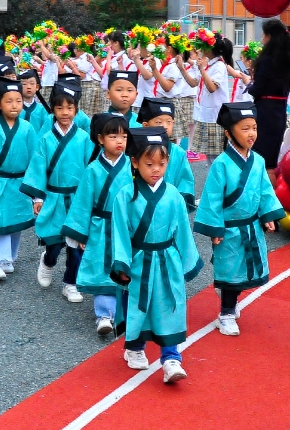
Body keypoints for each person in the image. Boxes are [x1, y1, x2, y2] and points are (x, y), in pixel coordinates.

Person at [109, 126, 203, 384]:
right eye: (149, 164)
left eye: (161, 164)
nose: (156, 170)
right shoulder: (125, 195)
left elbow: (183, 230)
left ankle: (171, 358)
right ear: (135, 162)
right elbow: (119, 231)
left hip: (167, 259)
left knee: (169, 304)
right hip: (139, 258)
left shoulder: (173, 194)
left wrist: (187, 261)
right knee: (140, 306)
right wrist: (122, 263)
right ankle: (136, 347)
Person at [194, 102, 284, 335]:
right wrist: (215, 229)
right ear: (228, 133)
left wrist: (268, 215)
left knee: (244, 270)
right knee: (230, 269)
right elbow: (212, 198)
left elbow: (265, 190)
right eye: (244, 129)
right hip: (229, 227)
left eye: (253, 127)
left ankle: (229, 300)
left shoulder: (259, 161)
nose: (251, 133)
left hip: (251, 226)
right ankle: (225, 313)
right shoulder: (221, 164)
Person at [62, 112, 132, 336]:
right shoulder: (93, 169)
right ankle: (104, 315)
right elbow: (83, 202)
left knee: (124, 267)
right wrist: (80, 234)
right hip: (100, 225)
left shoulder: (132, 166)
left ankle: (124, 312)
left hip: (125, 227)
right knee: (101, 267)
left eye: (123, 136)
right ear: (100, 139)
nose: (119, 141)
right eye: (113, 136)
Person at [0, 80, 44, 282]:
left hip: (21, 182)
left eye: (18, 101)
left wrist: (36, 190)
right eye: (9, 101)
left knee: (17, 220)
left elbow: (35, 159)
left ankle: (9, 258)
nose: (14, 105)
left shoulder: (28, 129)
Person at [33, 82, 95, 302]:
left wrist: (92, 197)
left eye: (70, 108)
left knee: (76, 245)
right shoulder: (46, 139)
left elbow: (90, 169)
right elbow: (38, 167)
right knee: (55, 242)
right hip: (54, 196)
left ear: (76, 110)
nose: (65, 113)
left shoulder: (84, 138)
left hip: (77, 199)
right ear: (53, 110)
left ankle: (70, 283)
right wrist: (38, 196)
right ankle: (48, 261)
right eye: (59, 108)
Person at [249, 19, 290, 181]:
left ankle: (261, 201)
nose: (262, 38)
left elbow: (257, 90)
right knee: (271, 162)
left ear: (269, 37)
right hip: (279, 111)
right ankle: (272, 201)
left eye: (263, 35)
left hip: (264, 112)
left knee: (260, 160)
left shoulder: (266, 60)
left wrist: (249, 84)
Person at [135, 98, 195, 212]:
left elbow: (185, 182)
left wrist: (178, 203)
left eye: (169, 122)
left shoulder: (179, 153)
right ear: (145, 125)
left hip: (171, 208)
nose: (165, 126)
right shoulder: (137, 150)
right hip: (139, 208)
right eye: (159, 122)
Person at [191, 34, 233, 159]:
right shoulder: (210, 65)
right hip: (208, 115)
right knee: (210, 155)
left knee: (216, 156)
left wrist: (202, 70)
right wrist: (183, 69)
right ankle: (213, 177)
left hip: (215, 116)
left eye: (203, 47)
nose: (201, 50)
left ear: (210, 49)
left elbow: (212, 88)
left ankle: (217, 178)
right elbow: (194, 82)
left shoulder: (219, 66)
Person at [99, 31, 132, 111]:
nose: (108, 44)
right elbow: (103, 73)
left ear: (116, 43)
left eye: (110, 41)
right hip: (106, 90)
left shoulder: (122, 57)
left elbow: (109, 72)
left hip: (114, 92)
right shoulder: (114, 56)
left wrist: (109, 56)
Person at [17, 68, 51, 134]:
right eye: (24, 84)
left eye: (32, 83)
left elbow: (45, 130)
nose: (28, 87)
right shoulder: (15, 108)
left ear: (37, 87)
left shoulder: (43, 110)